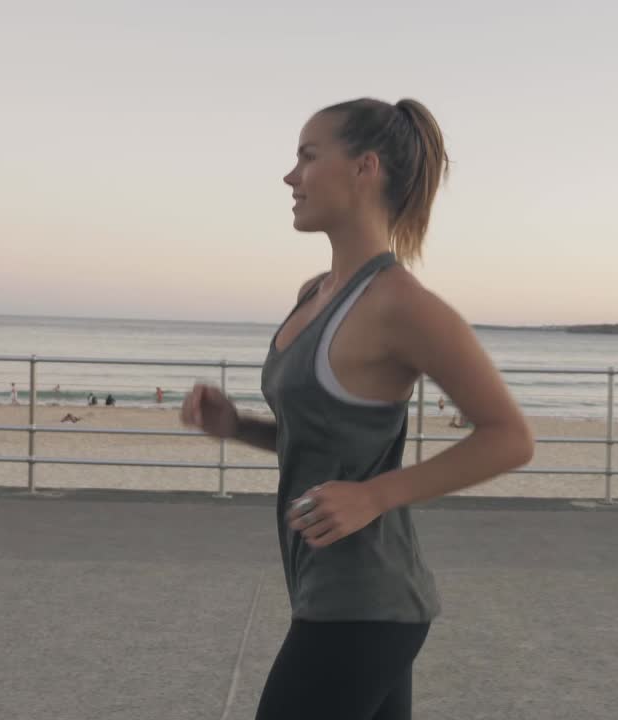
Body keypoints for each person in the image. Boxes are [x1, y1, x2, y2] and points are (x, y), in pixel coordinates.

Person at [180, 97, 533, 720]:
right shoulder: (314, 294)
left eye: (307, 157)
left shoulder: (402, 304)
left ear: (364, 167)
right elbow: (322, 438)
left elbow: (509, 437)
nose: (291, 177)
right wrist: (236, 427)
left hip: (366, 602)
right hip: (333, 590)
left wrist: (375, 495)